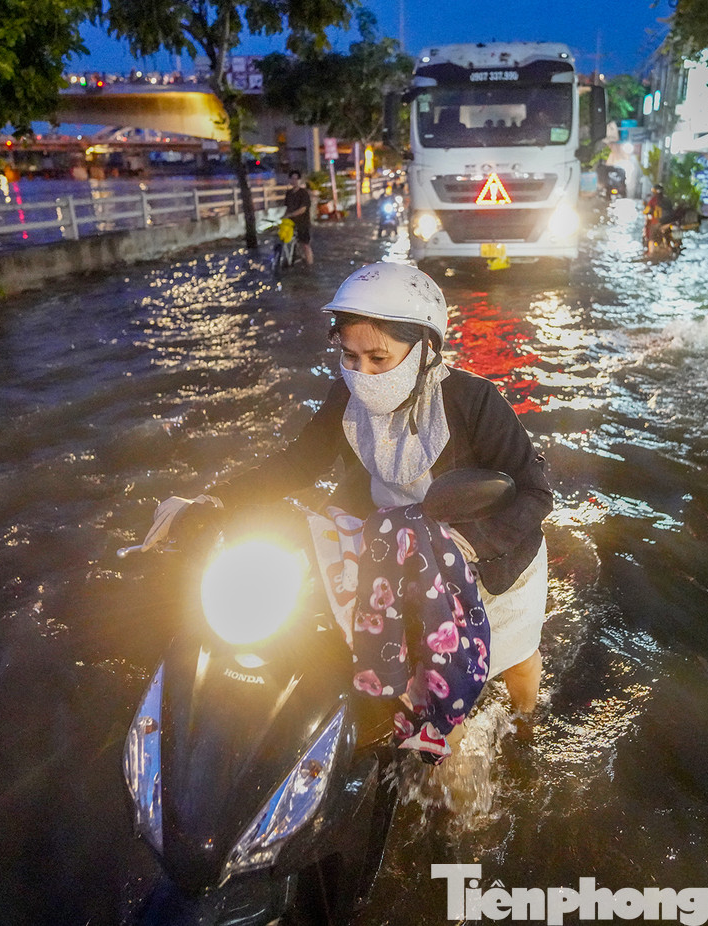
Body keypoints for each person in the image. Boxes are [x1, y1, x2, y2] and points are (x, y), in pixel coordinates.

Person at [186, 263, 553, 751]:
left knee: (517, 664)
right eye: (350, 356)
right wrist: (214, 498)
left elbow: (535, 491)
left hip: (481, 554)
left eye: (380, 358)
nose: (363, 374)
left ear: (424, 349)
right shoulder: (346, 395)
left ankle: (526, 731)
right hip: (385, 545)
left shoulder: (474, 401)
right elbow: (297, 463)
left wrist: (470, 544)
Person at [283, 170, 314, 266]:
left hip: (303, 223)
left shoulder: (303, 193)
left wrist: (290, 215)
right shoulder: (288, 193)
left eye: (296, 179)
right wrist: (284, 217)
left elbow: (303, 209)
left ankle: (310, 264)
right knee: (291, 243)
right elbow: (287, 208)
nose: (294, 181)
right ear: (289, 180)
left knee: (305, 244)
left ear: (299, 180)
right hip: (291, 223)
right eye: (292, 178)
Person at [643, 183, 670, 249]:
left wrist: (645, 212)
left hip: (656, 223)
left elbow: (646, 211)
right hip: (668, 223)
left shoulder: (653, 200)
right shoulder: (667, 200)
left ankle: (651, 252)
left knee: (651, 238)